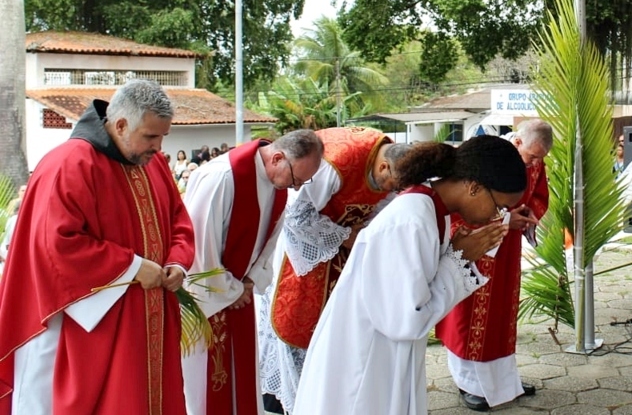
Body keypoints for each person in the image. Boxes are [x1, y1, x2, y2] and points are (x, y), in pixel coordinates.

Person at [292, 135, 527, 415]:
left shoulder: (432, 210)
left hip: (383, 353)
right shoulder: (411, 220)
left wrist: (455, 254)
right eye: (499, 206)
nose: (495, 216)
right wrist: (458, 260)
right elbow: (405, 320)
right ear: (475, 186)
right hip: (363, 361)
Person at [0, 79, 195, 414]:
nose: (159, 147)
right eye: (151, 136)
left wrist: (177, 262)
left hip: (145, 321)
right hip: (85, 324)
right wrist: (133, 267)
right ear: (120, 125)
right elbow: (57, 245)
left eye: (163, 136)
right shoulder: (70, 163)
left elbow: (179, 221)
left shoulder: (153, 164)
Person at [258, 127, 413, 414]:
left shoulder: (391, 159)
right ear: (382, 166)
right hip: (307, 253)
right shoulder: (337, 164)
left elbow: (383, 208)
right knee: (299, 325)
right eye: (388, 183)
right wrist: (344, 237)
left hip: (344, 254)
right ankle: (292, 402)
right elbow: (297, 217)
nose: (388, 191)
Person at [181, 130, 323, 415]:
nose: (296, 188)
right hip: (207, 304)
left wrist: (249, 282)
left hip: (238, 298)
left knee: (241, 380)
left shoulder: (277, 184)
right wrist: (232, 291)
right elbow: (198, 245)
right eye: (296, 179)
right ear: (278, 157)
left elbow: (270, 243)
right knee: (206, 387)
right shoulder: (222, 177)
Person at [436, 119, 552, 412]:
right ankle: (468, 383)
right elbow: (465, 203)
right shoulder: (485, 158)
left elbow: (538, 196)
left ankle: (505, 381)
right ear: (517, 143)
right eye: (532, 155)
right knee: (468, 316)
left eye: (540, 158)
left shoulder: (535, 162)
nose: (535, 162)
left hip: (507, 247)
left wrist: (526, 215)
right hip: (475, 242)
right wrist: (504, 219)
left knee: (501, 314)